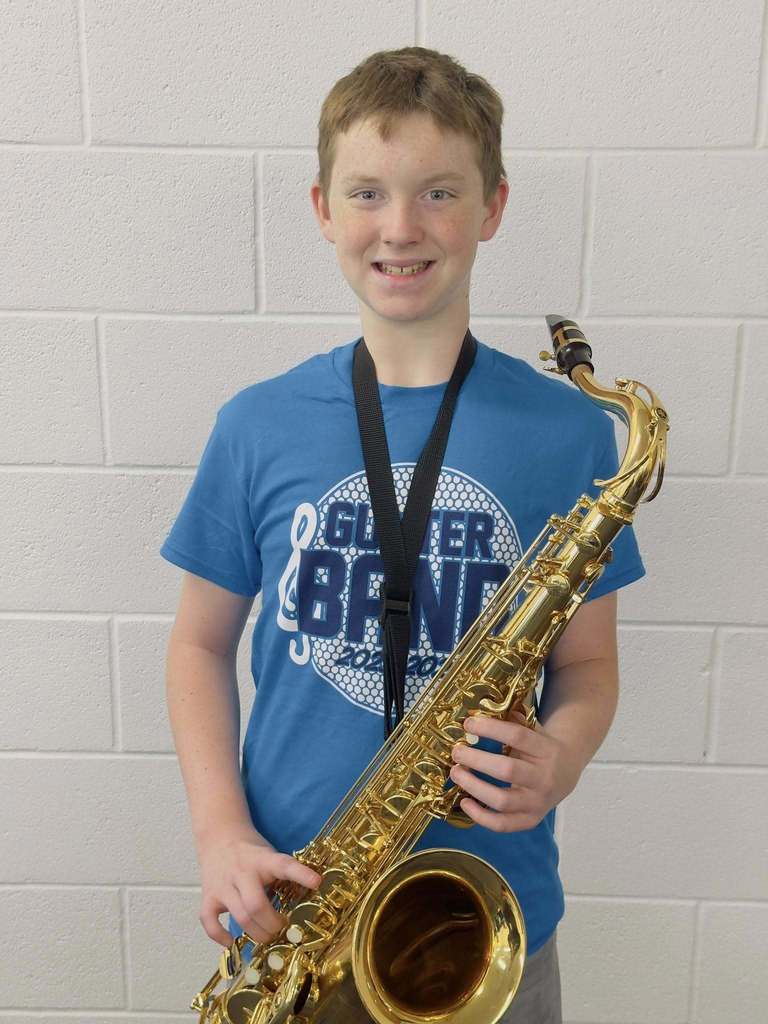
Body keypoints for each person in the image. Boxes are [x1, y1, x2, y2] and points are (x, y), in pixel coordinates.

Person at [160, 46, 645, 1024]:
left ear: (492, 207)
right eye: (368, 193)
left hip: (487, 922)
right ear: (322, 209)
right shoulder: (255, 425)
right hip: (292, 911)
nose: (400, 227)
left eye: (439, 192)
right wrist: (218, 832)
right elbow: (198, 646)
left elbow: (589, 667)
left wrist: (563, 755)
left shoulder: (569, 431)